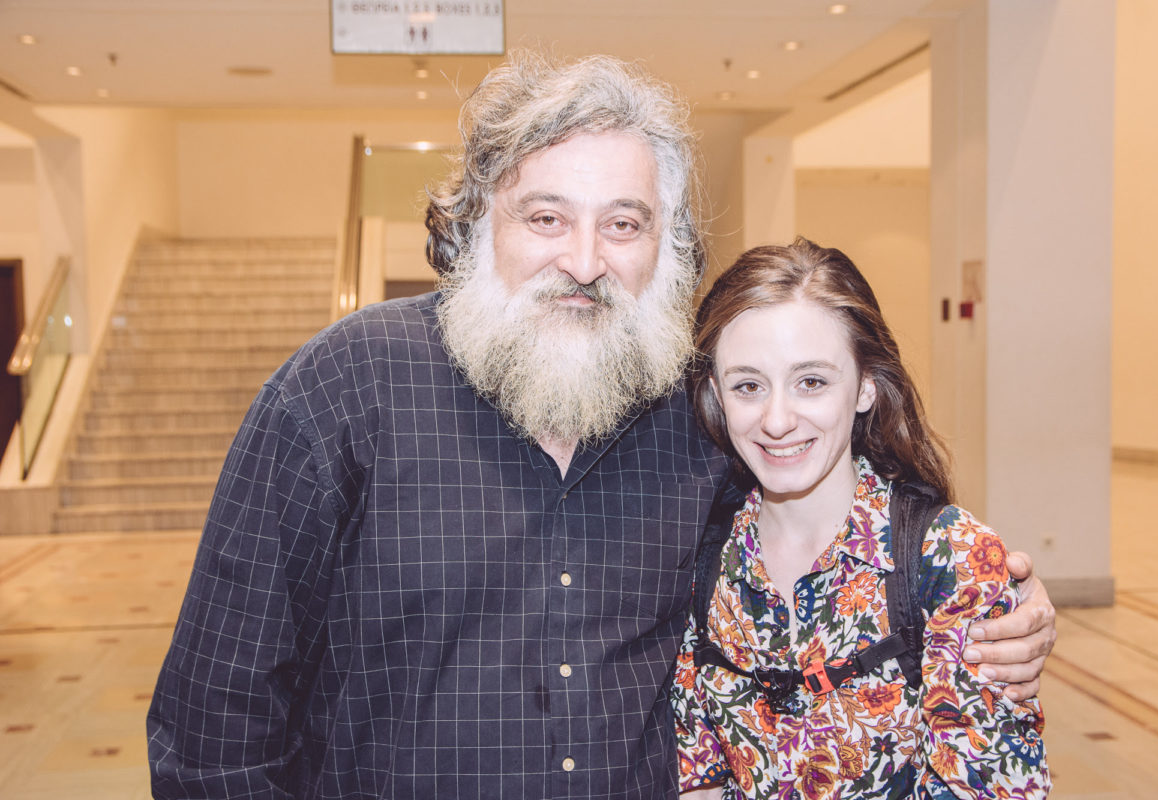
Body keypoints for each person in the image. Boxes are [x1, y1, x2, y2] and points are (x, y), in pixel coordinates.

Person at [147, 52, 1055, 799]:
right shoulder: (342, 391)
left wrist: (989, 604)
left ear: (665, 247)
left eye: (624, 224)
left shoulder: (699, 415)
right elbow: (213, 730)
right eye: (546, 217)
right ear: (478, 224)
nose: (584, 261)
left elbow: (823, 538)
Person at [671, 238, 1051, 798]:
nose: (777, 420)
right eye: (748, 386)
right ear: (715, 396)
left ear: (866, 386)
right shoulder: (701, 560)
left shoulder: (950, 560)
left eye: (812, 382)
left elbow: (991, 783)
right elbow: (697, 775)